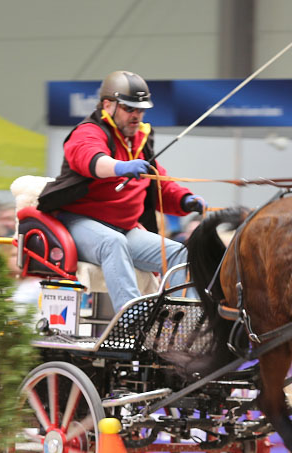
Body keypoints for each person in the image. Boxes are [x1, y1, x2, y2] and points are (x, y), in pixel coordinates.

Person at [39, 70, 206, 310]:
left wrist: (185, 200)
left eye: (140, 110)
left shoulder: (141, 142)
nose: (136, 116)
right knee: (112, 242)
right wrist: (120, 167)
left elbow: (161, 186)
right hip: (78, 224)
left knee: (180, 254)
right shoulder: (88, 132)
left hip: (124, 230)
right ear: (108, 105)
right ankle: (132, 318)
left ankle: (178, 319)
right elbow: (90, 159)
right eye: (129, 109)